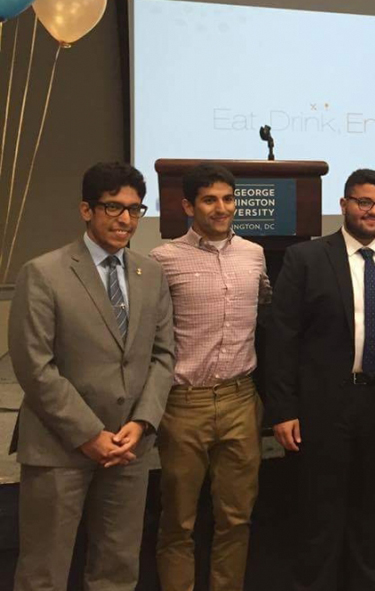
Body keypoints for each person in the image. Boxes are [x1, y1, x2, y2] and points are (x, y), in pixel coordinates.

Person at [265, 168, 375, 591]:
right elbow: (281, 338)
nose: (373, 211)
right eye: (364, 202)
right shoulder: (306, 259)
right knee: (320, 512)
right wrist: (283, 410)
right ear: (343, 205)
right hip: (325, 406)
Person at [7, 161, 176, 591]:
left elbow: (163, 355)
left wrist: (141, 423)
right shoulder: (43, 273)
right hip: (60, 448)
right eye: (113, 208)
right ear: (86, 210)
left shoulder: (150, 273)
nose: (126, 220)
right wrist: (89, 434)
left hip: (129, 448)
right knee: (43, 572)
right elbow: (34, 365)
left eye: (135, 210)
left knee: (117, 570)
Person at [150, 163, 272, 591]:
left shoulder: (254, 255)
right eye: (209, 199)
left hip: (241, 400)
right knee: (178, 522)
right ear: (188, 205)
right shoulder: (163, 260)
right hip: (184, 405)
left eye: (227, 198)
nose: (221, 208)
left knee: (236, 519)